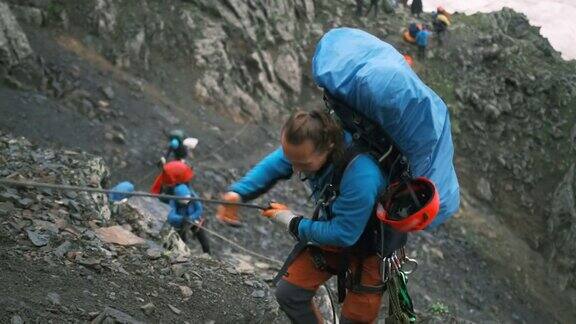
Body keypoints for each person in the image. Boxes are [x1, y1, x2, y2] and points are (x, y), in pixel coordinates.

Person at [167, 183, 210, 254]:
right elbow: (171, 216)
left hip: (195, 220)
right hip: (182, 222)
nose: (187, 203)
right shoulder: (173, 201)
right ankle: (183, 254)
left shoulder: (192, 196)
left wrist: (190, 218)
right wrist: (181, 218)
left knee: (203, 239)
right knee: (181, 241)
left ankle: (208, 253)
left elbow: (199, 210)